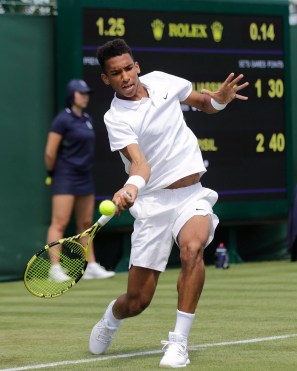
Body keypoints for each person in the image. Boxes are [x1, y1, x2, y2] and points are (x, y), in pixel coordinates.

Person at [89, 39, 248, 368]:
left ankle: (178, 343)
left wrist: (219, 101)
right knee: (137, 301)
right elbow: (139, 164)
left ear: (137, 66)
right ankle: (111, 318)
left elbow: (203, 103)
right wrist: (130, 189)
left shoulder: (162, 81)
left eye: (128, 68)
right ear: (107, 79)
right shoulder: (115, 118)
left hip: (192, 195)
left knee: (193, 249)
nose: (125, 77)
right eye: (115, 73)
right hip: (152, 204)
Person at [45, 79, 115, 281]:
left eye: (87, 93)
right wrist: (52, 173)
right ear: (72, 95)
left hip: (85, 176)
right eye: (81, 93)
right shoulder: (62, 120)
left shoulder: (87, 119)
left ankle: (89, 265)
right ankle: (55, 269)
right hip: (65, 176)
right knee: (60, 222)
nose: (85, 96)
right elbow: (50, 152)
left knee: (85, 223)